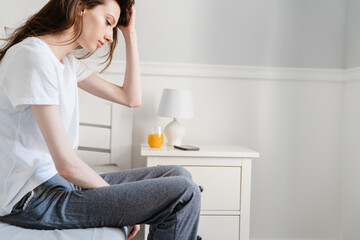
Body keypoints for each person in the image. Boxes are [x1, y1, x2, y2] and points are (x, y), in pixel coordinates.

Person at [0, 0, 201, 239]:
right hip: (30, 200)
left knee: (178, 175)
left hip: (53, 185)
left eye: (113, 28)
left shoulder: (67, 64)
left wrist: (131, 34)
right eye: (107, 22)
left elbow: (131, 98)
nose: (108, 35)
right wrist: (124, 206)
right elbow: (66, 165)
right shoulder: (34, 55)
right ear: (81, 6)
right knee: (184, 192)